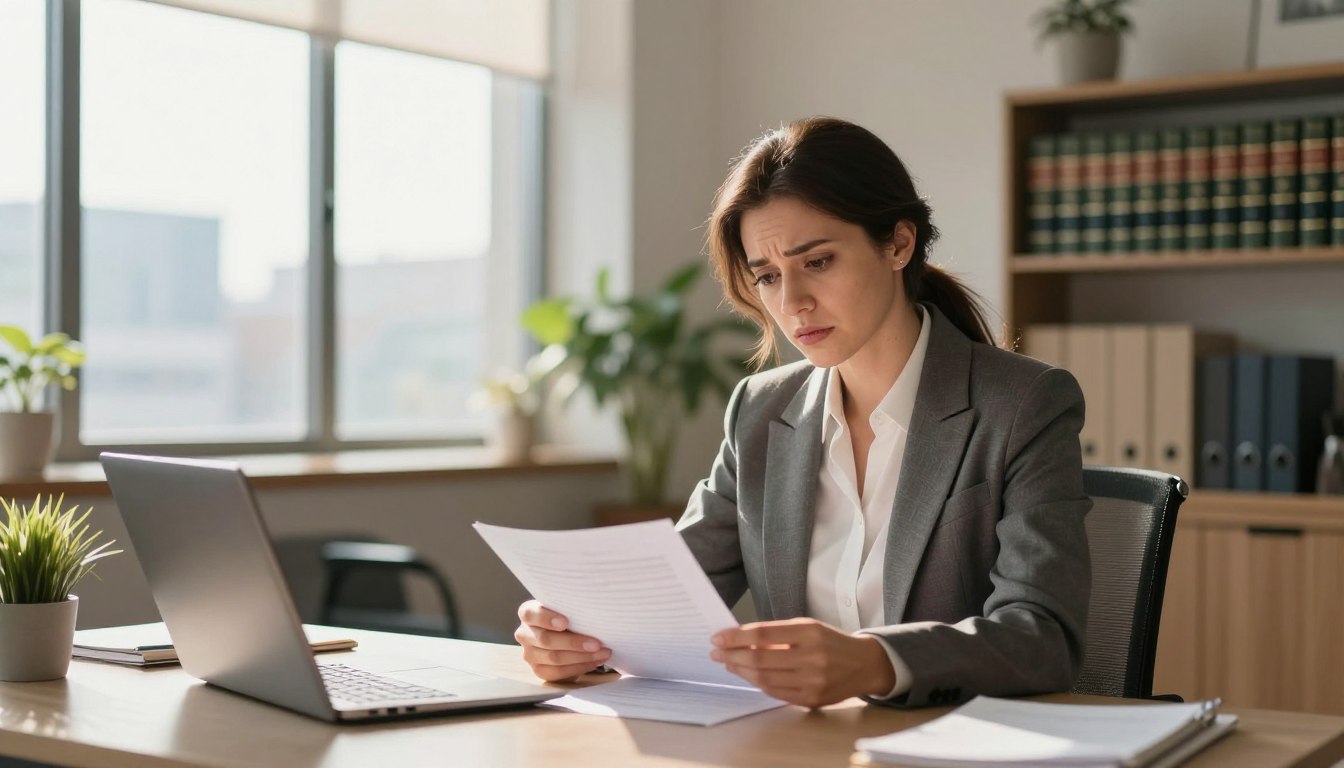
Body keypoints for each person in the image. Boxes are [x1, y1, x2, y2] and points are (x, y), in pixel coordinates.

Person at [515, 116, 1091, 709]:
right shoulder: (762, 411)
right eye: (767, 276)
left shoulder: (1024, 405)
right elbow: (669, 596)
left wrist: (875, 661)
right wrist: (574, 636)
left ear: (898, 243)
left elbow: (1043, 636)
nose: (792, 304)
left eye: (817, 262)